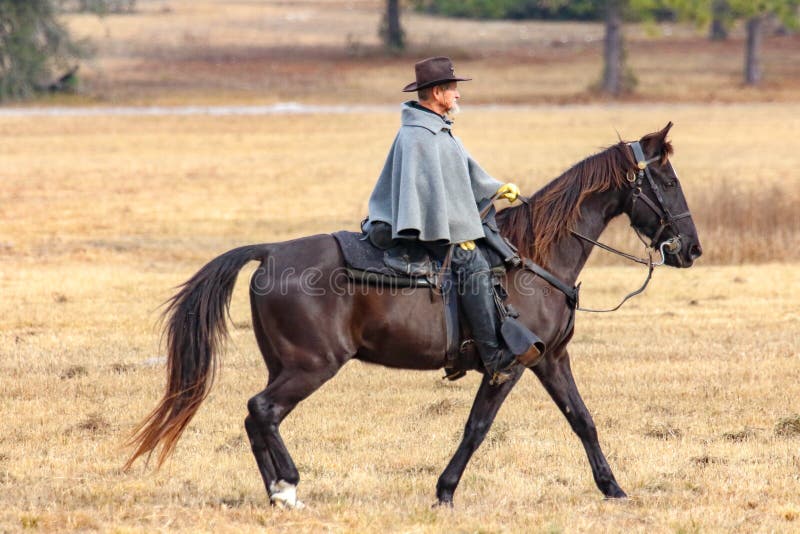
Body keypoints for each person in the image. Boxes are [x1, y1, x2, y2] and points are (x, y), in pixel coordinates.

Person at [364, 56, 521, 384]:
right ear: (437, 93)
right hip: (411, 229)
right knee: (471, 261)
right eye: (452, 89)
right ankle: (492, 357)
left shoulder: (437, 129)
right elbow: (422, 199)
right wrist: (451, 234)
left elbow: (463, 173)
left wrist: (495, 187)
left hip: (440, 225)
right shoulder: (418, 135)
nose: (458, 95)